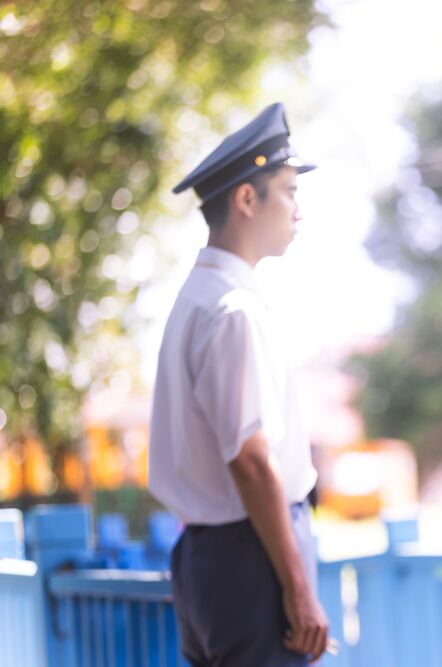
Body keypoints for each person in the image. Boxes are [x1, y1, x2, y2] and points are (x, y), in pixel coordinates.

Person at [149, 102, 329, 665]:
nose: (298, 210)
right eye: (289, 191)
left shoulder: (196, 298)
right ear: (247, 200)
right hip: (248, 556)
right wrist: (298, 590)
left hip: (210, 556)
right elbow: (250, 460)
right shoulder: (232, 310)